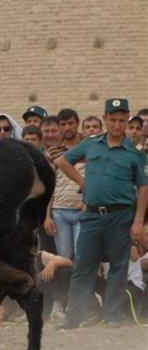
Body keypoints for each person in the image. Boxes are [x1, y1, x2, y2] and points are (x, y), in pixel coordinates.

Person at [54, 98, 147, 330]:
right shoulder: (91, 144)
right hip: (92, 216)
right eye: (112, 119)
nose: (117, 124)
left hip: (121, 215)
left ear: (127, 121)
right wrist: (82, 182)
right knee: (84, 266)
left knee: (118, 266)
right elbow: (63, 161)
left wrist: (138, 221)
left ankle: (112, 316)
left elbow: (143, 187)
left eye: (122, 120)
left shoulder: (134, 152)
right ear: (105, 119)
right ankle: (72, 318)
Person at [44, 108, 84, 260]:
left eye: (71, 123)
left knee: (82, 257)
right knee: (64, 258)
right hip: (59, 212)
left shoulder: (88, 148)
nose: (67, 127)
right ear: (59, 126)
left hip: (82, 211)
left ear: (77, 123)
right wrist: (47, 216)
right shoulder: (52, 152)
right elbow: (50, 186)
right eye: (63, 124)